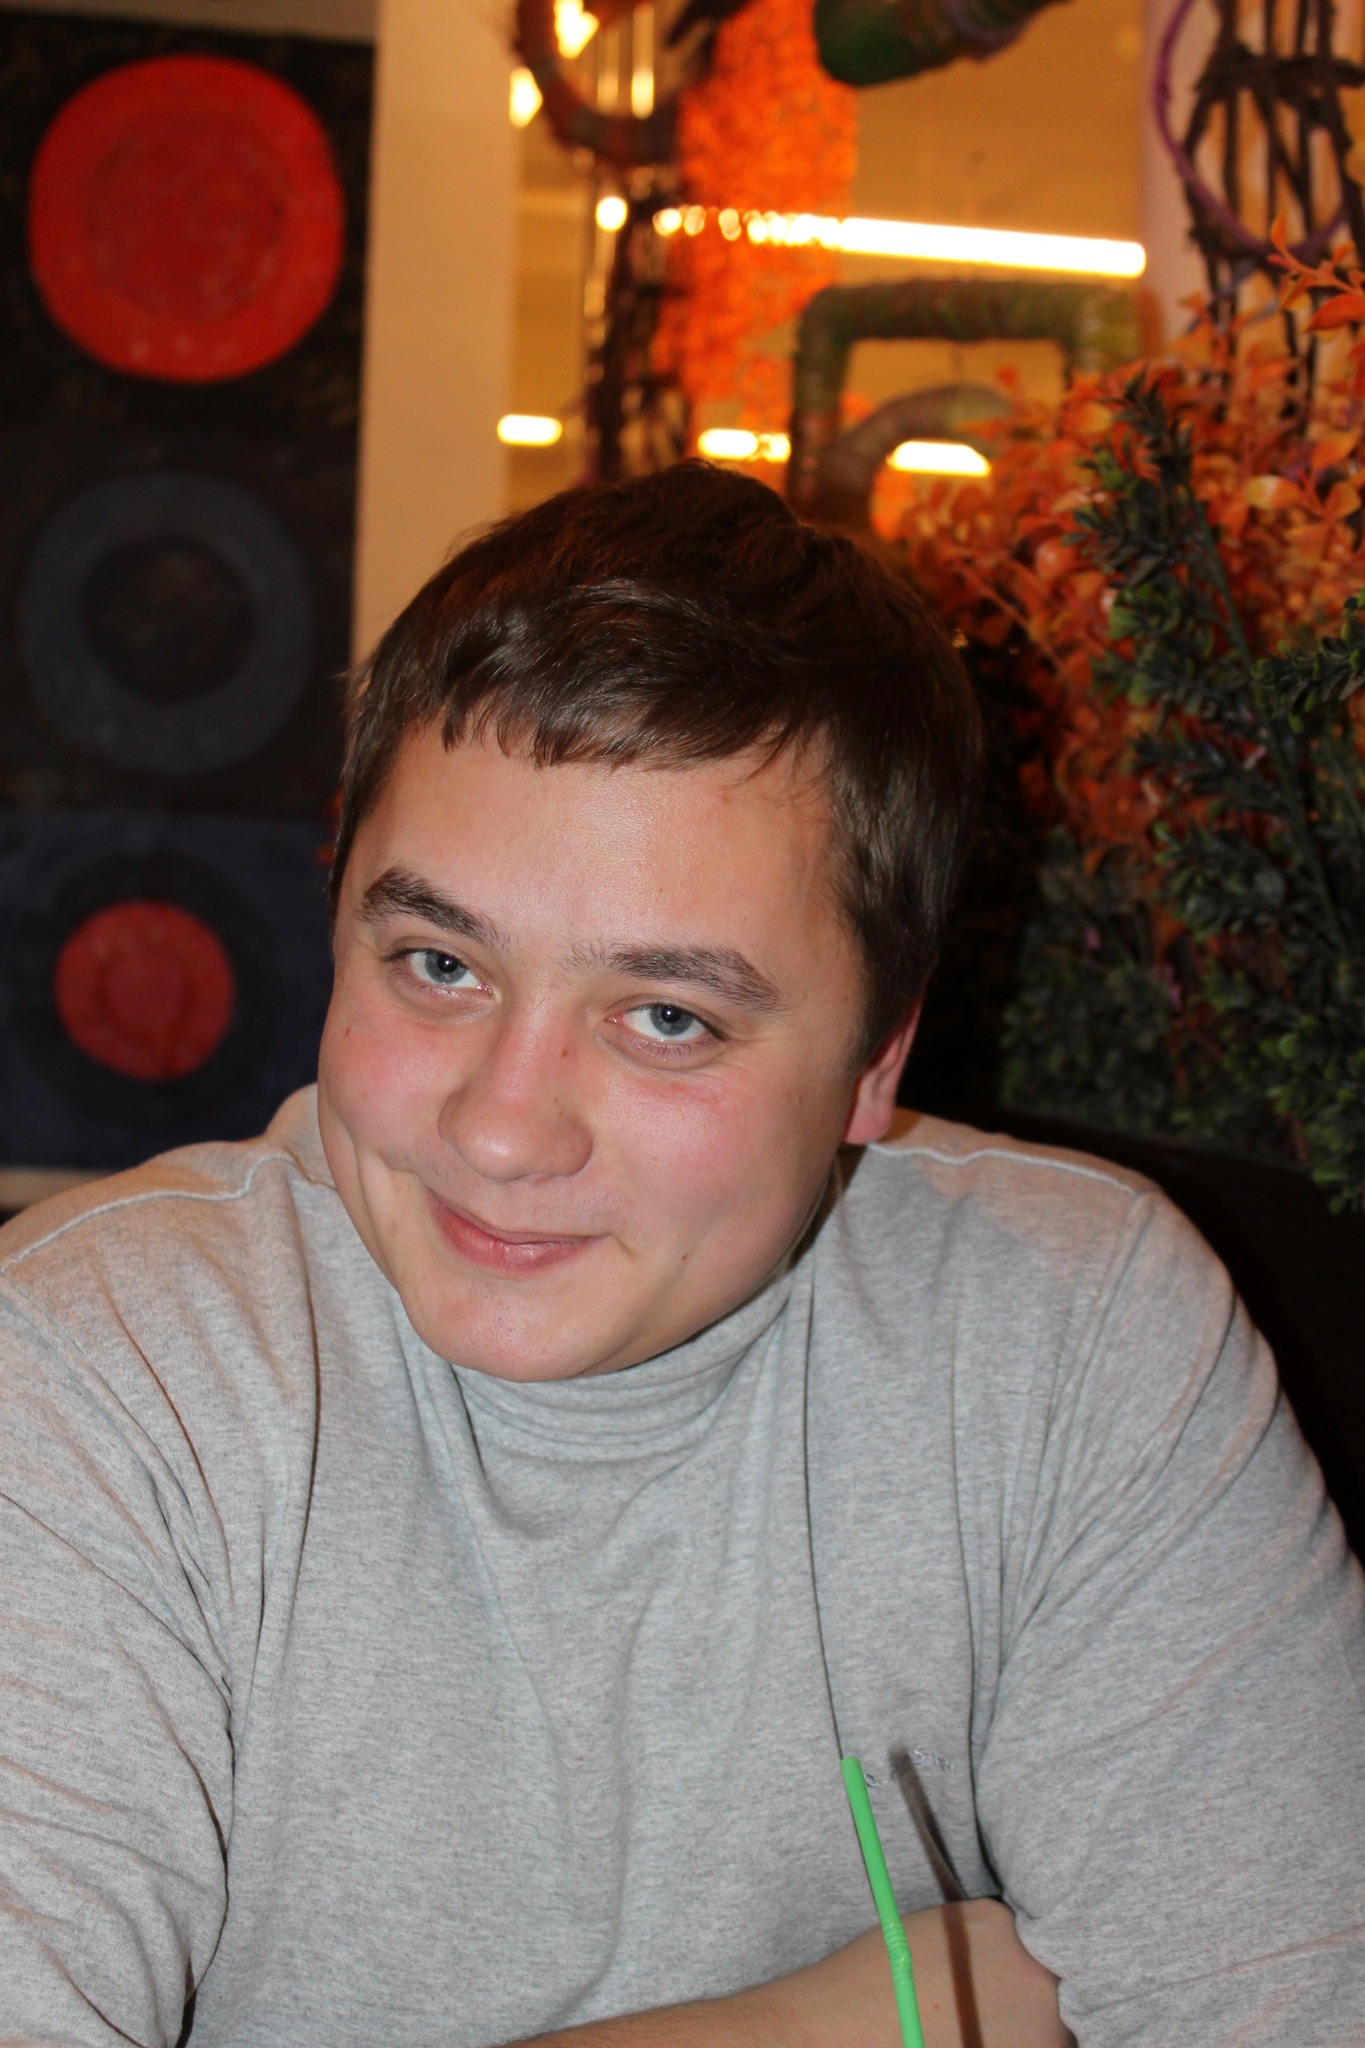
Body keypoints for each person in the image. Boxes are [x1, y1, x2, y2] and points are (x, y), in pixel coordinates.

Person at [0, 464, 1361, 2048]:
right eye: (437, 963)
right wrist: (843, 2020)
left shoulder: (1075, 1334)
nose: (502, 1130)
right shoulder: (105, 1363)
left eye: (666, 1017)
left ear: (873, 1061)